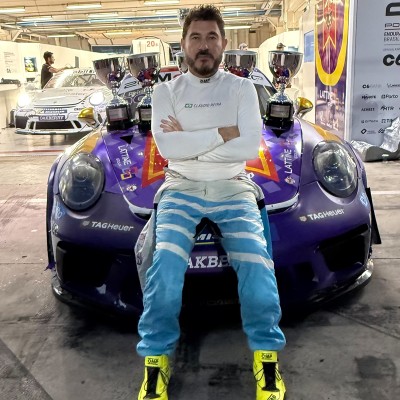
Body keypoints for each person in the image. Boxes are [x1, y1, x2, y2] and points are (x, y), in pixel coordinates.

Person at [136, 5, 286, 400]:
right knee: (164, 272)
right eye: (196, 38)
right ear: (183, 45)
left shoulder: (241, 89)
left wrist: (190, 141)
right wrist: (224, 131)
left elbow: (248, 147)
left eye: (212, 37)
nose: (204, 45)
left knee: (257, 269)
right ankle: (156, 361)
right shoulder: (164, 92)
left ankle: (267, 359)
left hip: (233, 188)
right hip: (180, 188)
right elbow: (169, 149)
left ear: (223, 43)